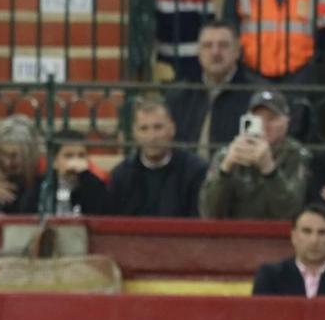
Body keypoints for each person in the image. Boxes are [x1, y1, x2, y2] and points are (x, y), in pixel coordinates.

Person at [199, 88, 310, 221]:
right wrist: (225, 170)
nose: (264, 125)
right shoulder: (226, 154)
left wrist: (269, 170)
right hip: (234, 236)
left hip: (279, 237)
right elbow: (208, 212)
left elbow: (290, 212)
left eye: (272, 119)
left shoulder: (296, 155)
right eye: (257, 119)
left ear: (286, 122)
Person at [165, 20, 261, 163]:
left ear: (237, 51)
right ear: (198, 52)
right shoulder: (180, 94)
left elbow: (253, 147)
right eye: (208, 46)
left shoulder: (254, 95)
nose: (215, 52)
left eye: (223, 45)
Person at [107, 99, 207, 218]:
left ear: (172, 129)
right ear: (135, 134)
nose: (152, 137)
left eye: (158, 127)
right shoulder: (121, 176)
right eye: (144, 129)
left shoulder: (195, 172)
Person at [252, 203, 325, 296]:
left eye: (322, 233)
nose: (314, 240)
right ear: (294, 236)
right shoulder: (270, 276)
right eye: (307, 231)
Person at [39, 130, 112, 215]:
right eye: (68, 156)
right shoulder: (41, 186)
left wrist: (85, 176)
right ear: (54, 161)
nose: (75, 161)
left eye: (81, 156)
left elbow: (101, 215)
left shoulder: (95, 186)